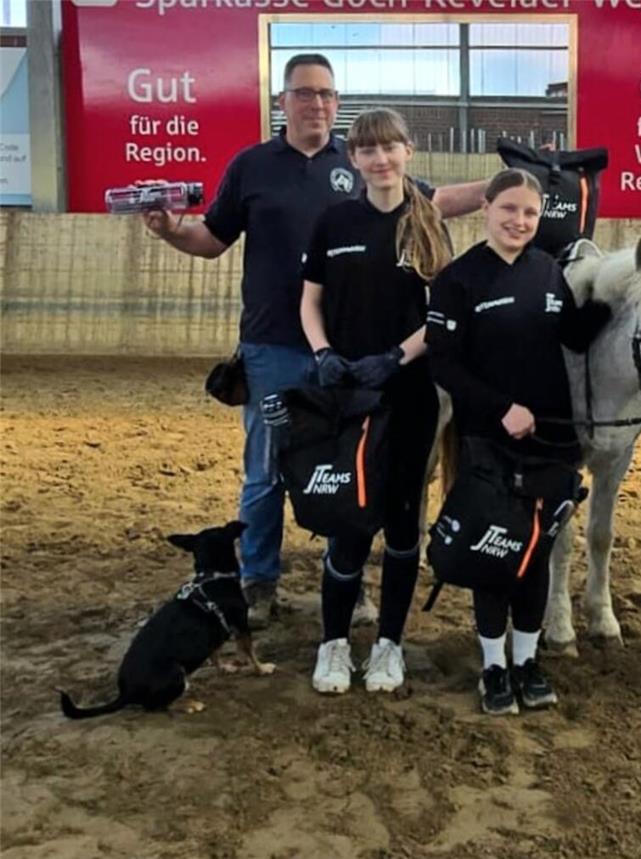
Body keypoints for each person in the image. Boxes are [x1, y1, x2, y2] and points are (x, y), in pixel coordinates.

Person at [143, 53, 486, 628]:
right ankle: (258, 580)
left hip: (350, 352)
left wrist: (501, 185)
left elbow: (433, 199)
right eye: (305, 93)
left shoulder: (359, 162)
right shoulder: (252, 166)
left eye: (326, 94)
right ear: (283, 101)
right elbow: (211, 239)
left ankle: (346, 582)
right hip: (274, 345)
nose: (317, 103)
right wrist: (172, 228)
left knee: (351, 466)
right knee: (268, 468)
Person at [426, 168, 610, 716]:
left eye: (530, 213)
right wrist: (501, 409)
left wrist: (620, 291)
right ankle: (493, 666)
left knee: (536, 551)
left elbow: (575, 334)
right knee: (497, 552)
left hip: (551, 441)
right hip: (489, 439)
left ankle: (527, 661)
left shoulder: (548, 273)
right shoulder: (458, 280)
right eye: (509, 209)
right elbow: (444, 362)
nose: (520, 221)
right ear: (487, 207)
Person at [299, 108, 451, 695]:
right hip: (344, 398)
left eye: (390, 147)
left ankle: (390, 643)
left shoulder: (429, 224)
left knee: (402, 523)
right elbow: (309, 301)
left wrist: (395, 357)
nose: (380, 158)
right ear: (354, 159)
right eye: (367, 150)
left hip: (407, 396)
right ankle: (333, 643)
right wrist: (323, 354)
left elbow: (440, 313)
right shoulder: (334, 222)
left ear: (408, 152)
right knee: (348, 524)